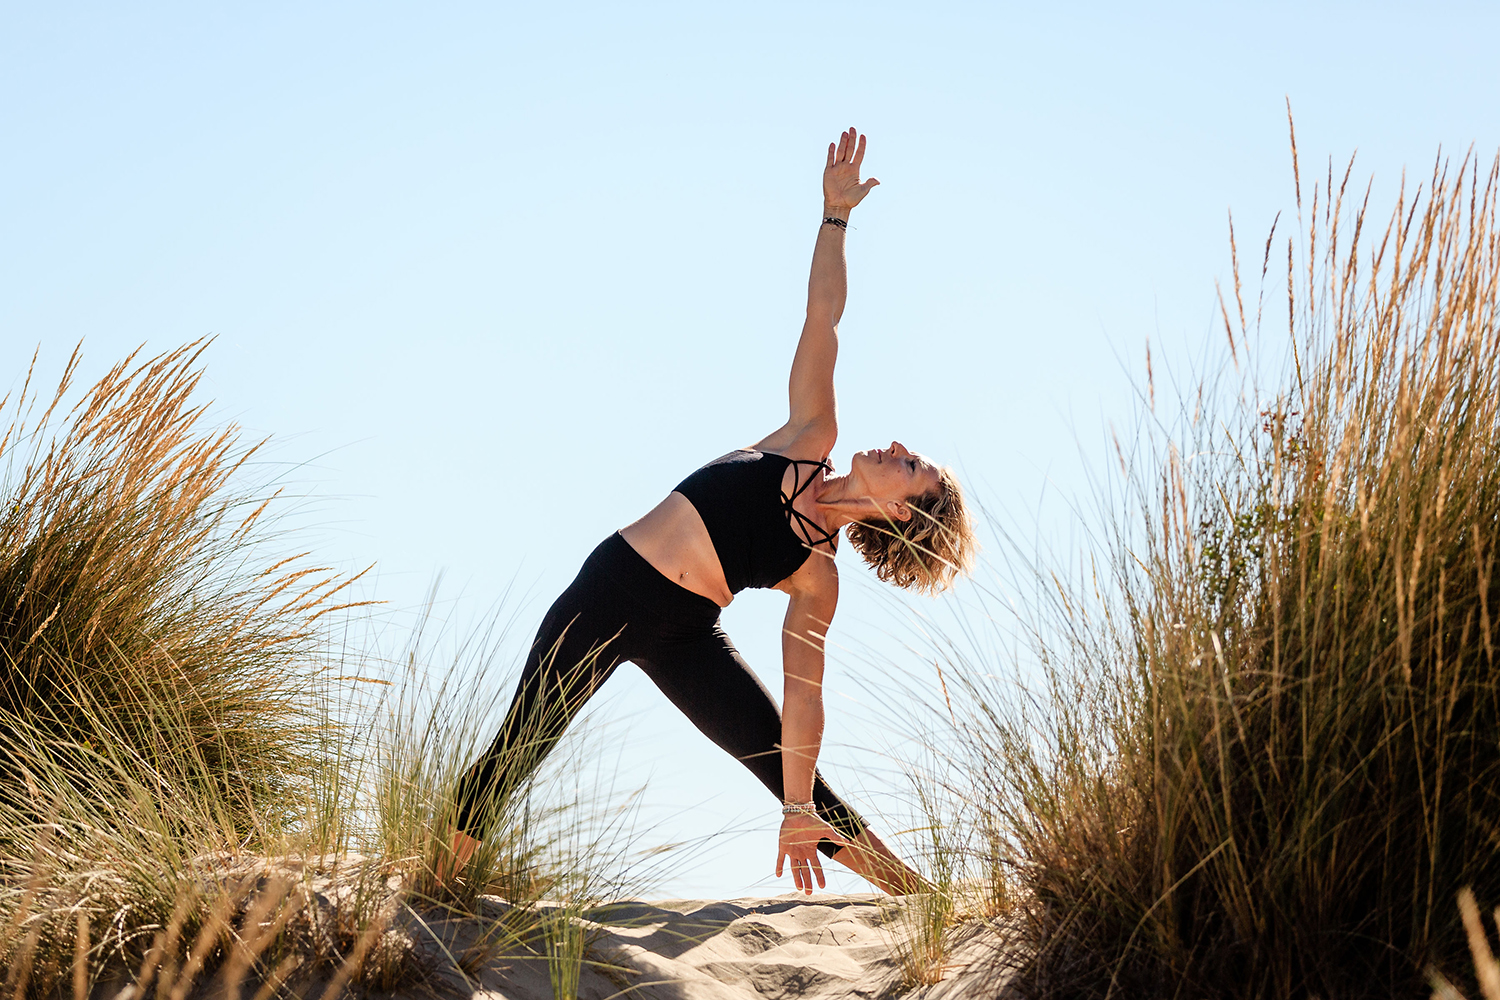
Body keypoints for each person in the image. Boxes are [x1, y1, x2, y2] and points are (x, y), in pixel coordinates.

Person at [445, 128, 976, 896]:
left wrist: (795, 805)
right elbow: (823, 317)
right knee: (521, 744)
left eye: (913, 466)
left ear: (904, 518)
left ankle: (932, 906)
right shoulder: (807, 437)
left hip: (686, 634)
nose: (898, 447)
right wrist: (835, 218)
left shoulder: (817, 577)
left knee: (800, 787)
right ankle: (423, 901)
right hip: (612, 589)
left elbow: (804, 697)